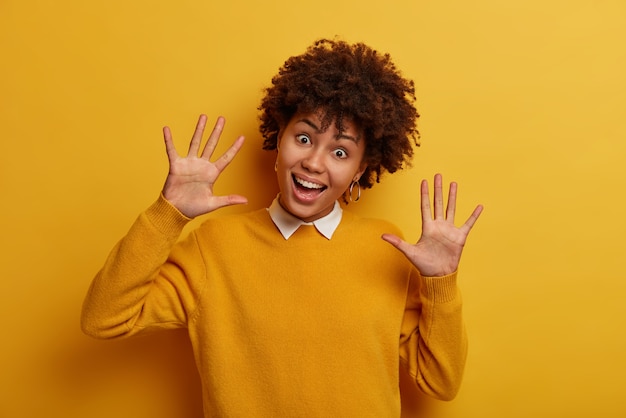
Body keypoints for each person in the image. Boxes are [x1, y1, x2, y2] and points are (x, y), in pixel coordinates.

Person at [81, 38, 483, 417]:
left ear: (360, 169)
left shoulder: (386, 250)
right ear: (279, 138)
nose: (314, 162)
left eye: (340, 151)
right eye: (304, 138)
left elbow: (440, 382)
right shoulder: (213, 248)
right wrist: (167, 214)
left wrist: (441, 283)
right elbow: (104, 317)